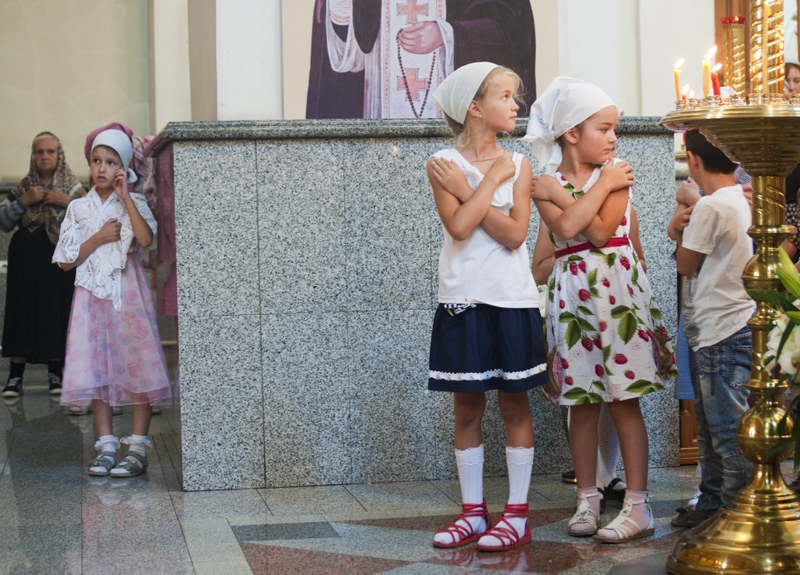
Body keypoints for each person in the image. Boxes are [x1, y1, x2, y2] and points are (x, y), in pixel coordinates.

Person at [525, 76, 675, 544]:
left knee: (625, 400)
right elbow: (568, 226)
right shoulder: (545, 182)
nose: (613, 138)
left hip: (617, 297)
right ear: (571, 133)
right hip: (573, 301)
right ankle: (587, 499)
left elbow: (598, 231)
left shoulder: (616, 174)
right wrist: (569, 194)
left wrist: (586, 187)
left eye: (615, 129)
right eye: (604, 128)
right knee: (582, 403)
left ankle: (638, 505)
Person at [425, 62, 547, 551]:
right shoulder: (442, 163)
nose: (516, 105)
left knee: (514, 402)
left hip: (512, 297)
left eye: (515, 97)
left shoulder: (517, 164)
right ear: (474, 107)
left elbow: (515, 235)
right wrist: (483, 182)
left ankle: (516, 515)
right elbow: (458, 228)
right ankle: (473, 513)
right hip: (462, 298)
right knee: (467, 406)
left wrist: (470, 190)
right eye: (505, 96)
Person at [52, 128, 171, 477]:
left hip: (127, 296)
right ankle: (105, 445)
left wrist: (126, 198)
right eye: (96, 160)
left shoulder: (134, 203)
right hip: (90, 299)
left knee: (137, 365)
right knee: (97, 367)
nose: (102, 168)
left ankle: (137, 448)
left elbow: (145, 240)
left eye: (111, 162)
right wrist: (100, 237)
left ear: (124, 167)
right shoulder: (78, 207)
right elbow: (65, 260)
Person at [667, 129, 755, 527]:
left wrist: (687, 208)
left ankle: (739, 509)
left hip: (721, 327)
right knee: (712, 423)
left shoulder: (711, 206)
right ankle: (713, 499)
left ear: (692, 159)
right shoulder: (738, 198)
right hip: (726, 326)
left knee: (724, 427)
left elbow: (686, 264)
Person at [306, 0, 536, 119]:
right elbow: (349, 58)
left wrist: (447, 35)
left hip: (457, 133)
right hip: (378, 111)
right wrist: (342, 11)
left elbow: (510, 30)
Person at [0, 132, 86, 398]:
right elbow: (3, 222)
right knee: (21, 313)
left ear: (59, 155)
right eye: (40, 152)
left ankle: (55, 374)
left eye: (51, 151)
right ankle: (15, 377)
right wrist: (24, 201)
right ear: (33, 156)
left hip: (59, 263)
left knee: (56, 312)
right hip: (25, 261)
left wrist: (66, 202)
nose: (45, 156)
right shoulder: (24, 186)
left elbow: (91, 218)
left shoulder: (72, 187)